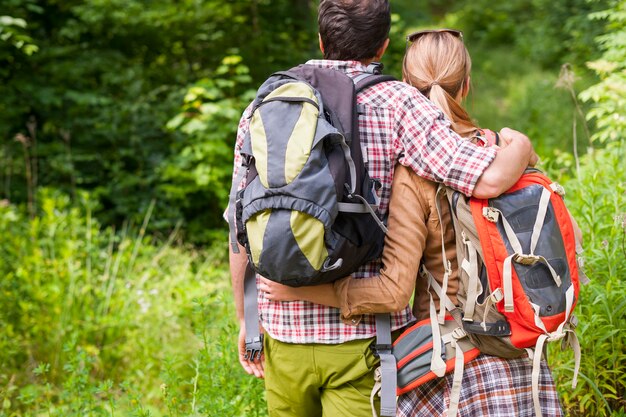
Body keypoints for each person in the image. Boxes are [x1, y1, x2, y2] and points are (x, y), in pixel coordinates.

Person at [229, 1, 538, 415]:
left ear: (321, 40)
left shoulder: (267, 104)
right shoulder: (400, 104)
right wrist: (520, 145)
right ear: (383, 47)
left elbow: (239, 228)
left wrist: (247, 322)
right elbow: (487, 178)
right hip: (365, 340)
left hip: (282, 328)